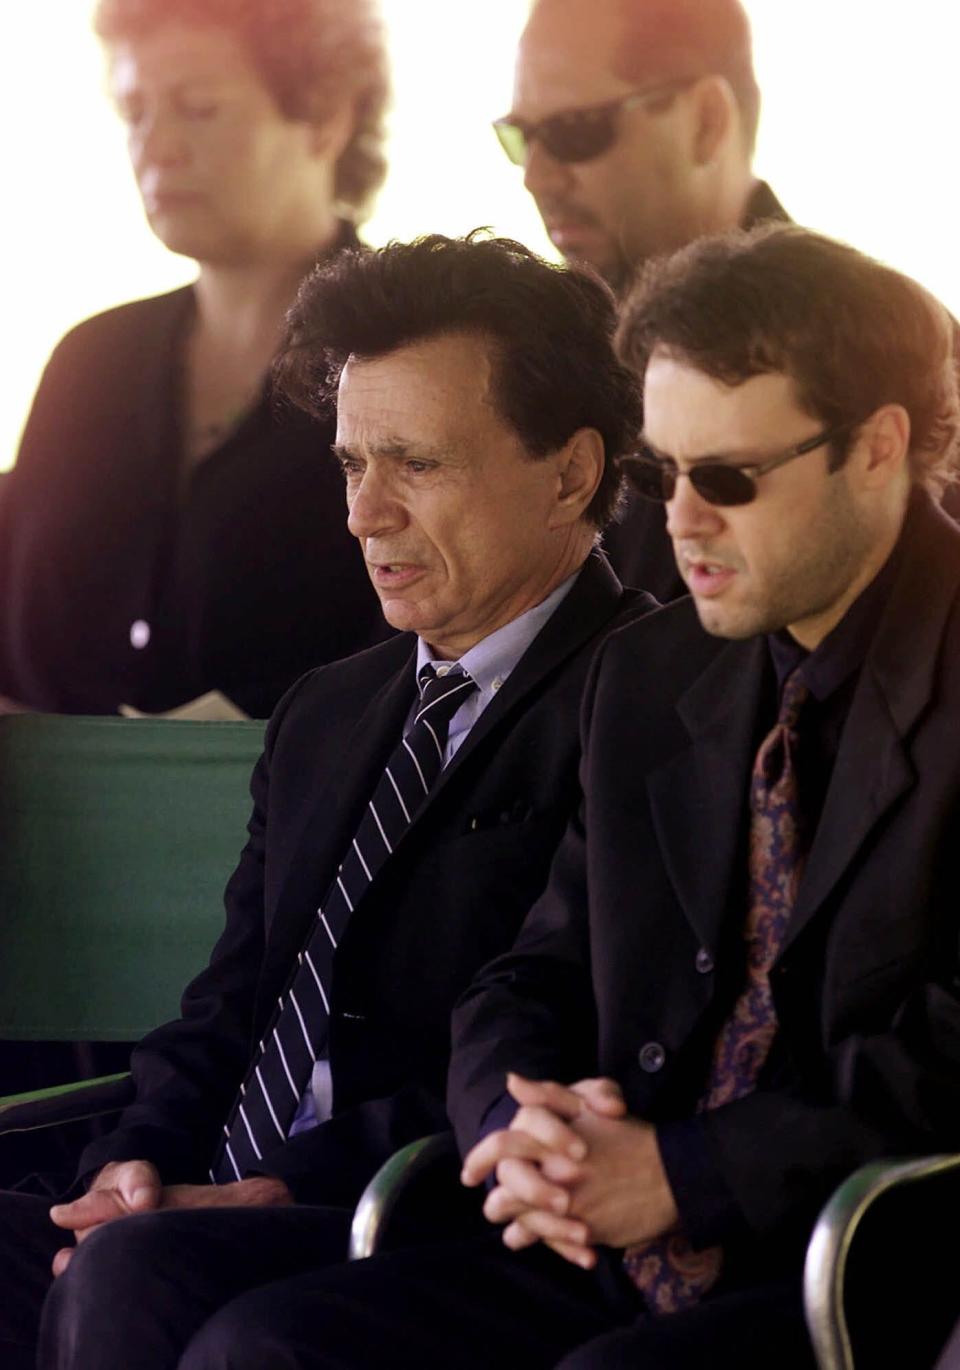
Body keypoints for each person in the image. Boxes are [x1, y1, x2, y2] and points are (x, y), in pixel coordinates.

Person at [190, 223, 960, 1369]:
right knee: (267, 1345)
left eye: (730, 478)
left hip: (875, 1266)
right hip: (602, 1241)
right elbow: (532, 970)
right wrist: (520, 1129)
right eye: (665, 473)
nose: (682, 522)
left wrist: (688, 1174)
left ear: (879, 449)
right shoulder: (657, 672)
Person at [0, 232, 657, 1370]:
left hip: (416, 1208)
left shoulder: (651, 702)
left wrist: (273, 1185)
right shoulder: (331, 709)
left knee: (136, 1275)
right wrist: (142, 1160)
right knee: (93, 1240)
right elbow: (230, 1001)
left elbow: (576, 1045)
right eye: (353, 464)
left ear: (571, 471)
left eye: (416, 462)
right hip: (215, 1186)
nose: (365, 514)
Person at [0, 0, 391, 718]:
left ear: (327, 118)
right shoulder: (88, 361)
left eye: (199, 109)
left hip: (297, 819)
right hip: (48, 820)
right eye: (135, 111)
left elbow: (446, 645)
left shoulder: (407, 357)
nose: (157, 145)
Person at [495, 0, 786, 601]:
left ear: (706, 120)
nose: (536, 175)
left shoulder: (866, 354)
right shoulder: (546, 353)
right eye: (521, 137)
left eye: (576, 131)